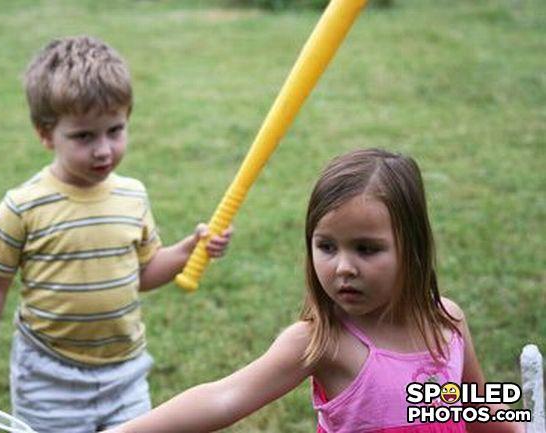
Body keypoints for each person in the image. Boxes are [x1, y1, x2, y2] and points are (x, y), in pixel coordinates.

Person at [106, 148, 523, 433]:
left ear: (411, 247)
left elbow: (478, 406)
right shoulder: (322, 341)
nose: (343, 267)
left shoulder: (446, 322)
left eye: (366, 249)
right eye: (326, 246)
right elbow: (223, 398)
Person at [0, 35, 232, 433]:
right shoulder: (24, 206)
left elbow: (142, 273)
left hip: (125, 369)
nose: (104, 150)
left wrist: (191, 249)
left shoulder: (132, 196)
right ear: (45, 134)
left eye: (115, 130)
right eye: (84, 136)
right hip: (50, 373)